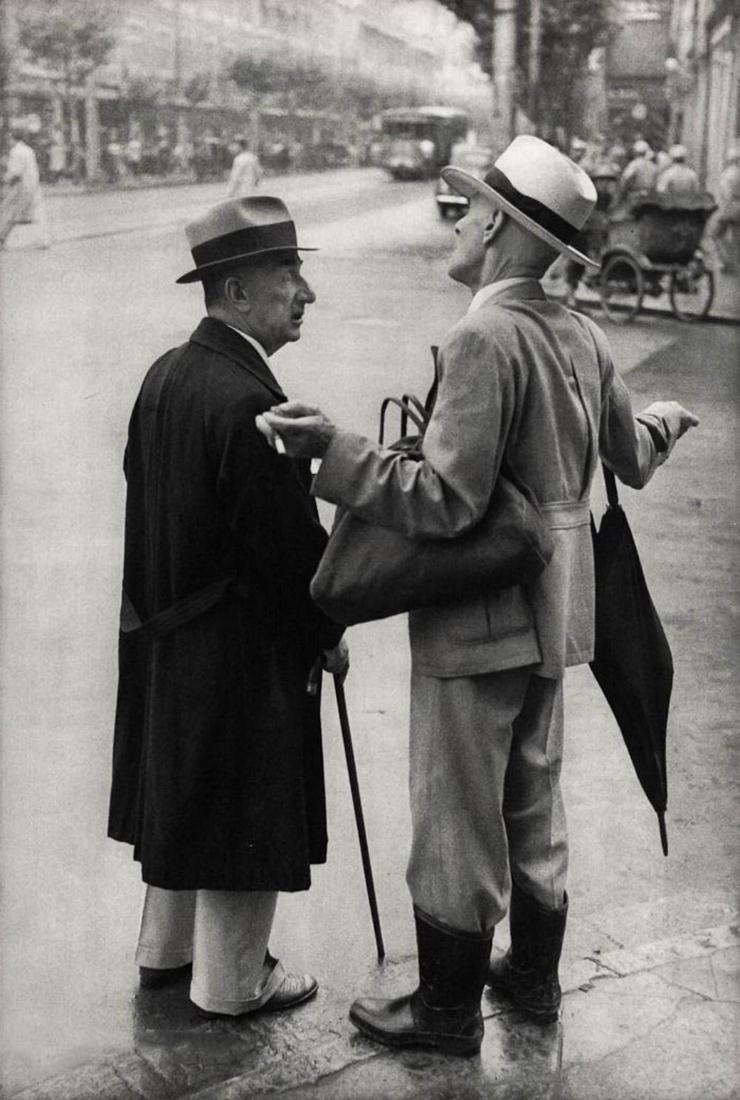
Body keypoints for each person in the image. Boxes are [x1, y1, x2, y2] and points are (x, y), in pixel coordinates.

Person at [260, 135, 698, 1056]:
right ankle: (532, 982)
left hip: (479, 622)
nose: (453, 222)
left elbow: (446, 500)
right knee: (534, 800)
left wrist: (332, 452)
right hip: (560, 617)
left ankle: (447, 1011)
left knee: (457, 815)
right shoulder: (580, 332)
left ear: (498, 226)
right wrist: (664, 419)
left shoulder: (482, 336)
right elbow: (631, 458)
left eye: (463, 210)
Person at [108, 195, 348, 1018]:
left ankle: (165, 954)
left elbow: (149, 502)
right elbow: (286, 559)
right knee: (242, 801)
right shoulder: (250, 400)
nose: (305, 291)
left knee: (180, 792)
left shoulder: (166, 374)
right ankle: (234, 982)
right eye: (289, 274)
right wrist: (326, 633)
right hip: (236, 651)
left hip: (165, 636)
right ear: (238, 293)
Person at [0, 128, 51, 249]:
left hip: (21, 186)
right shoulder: (29, 150)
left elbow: (15, 171)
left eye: (9, 138)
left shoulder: (15, 152)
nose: (8, 141)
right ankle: (43, 240)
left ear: (13, 138)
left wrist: (4, 179)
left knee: (8, 211)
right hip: (33, 184)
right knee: (38, 213)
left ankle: (1, 238)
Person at [708, 146, 740, 272]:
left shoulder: (726, 175)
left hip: (730, 207)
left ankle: (721, 260)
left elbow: (725, 195)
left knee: (712, 234)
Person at [617, 139, 658, 206]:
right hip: (650, 198)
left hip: (635, 196)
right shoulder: (653, 166)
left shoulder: (634, 164)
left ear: (635, 152)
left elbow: (625, 178)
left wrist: (622, 191)